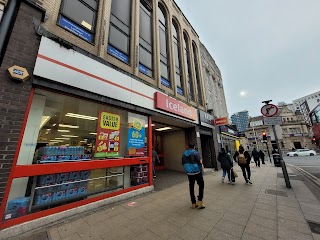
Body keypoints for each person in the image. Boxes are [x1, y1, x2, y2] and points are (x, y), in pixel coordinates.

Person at [182, 143, 205, 209]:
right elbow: (199, 163)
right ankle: (200, 201)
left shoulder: (184, 153)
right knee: (201, 185)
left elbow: (183, 163)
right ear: (194, 147)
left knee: (191, 186)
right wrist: (201, 171)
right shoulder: (196, 153)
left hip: (189, 173)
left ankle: (193, 203)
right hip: (197, 172)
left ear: (188, 146)